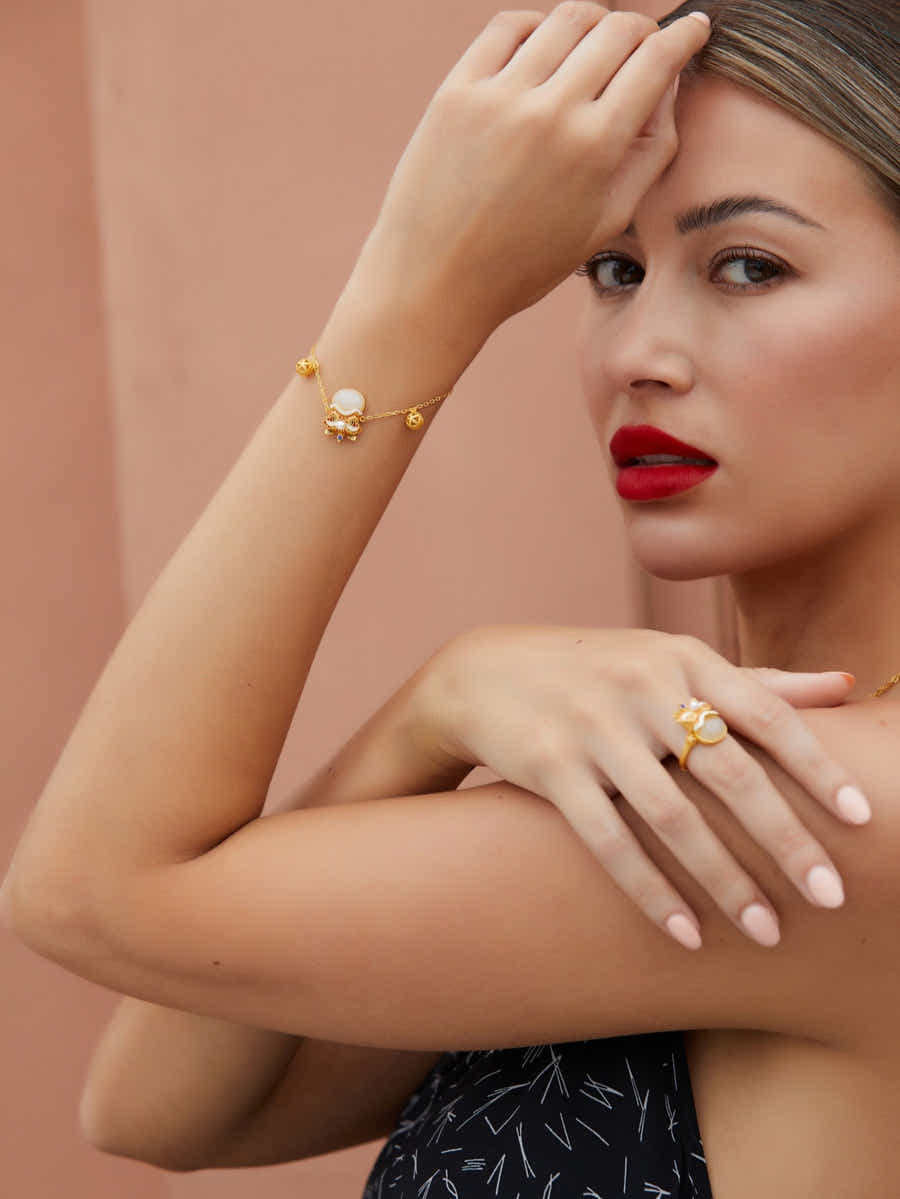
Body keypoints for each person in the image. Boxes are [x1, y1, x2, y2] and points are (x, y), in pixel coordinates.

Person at [2, 0, 898, 1194]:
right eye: (615, 269)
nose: (640, 352)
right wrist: (426, 715)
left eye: (750, 265)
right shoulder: (701, 782)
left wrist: (417, 294)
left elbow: (86, 897)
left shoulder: (842, 811)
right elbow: (162, 1103)